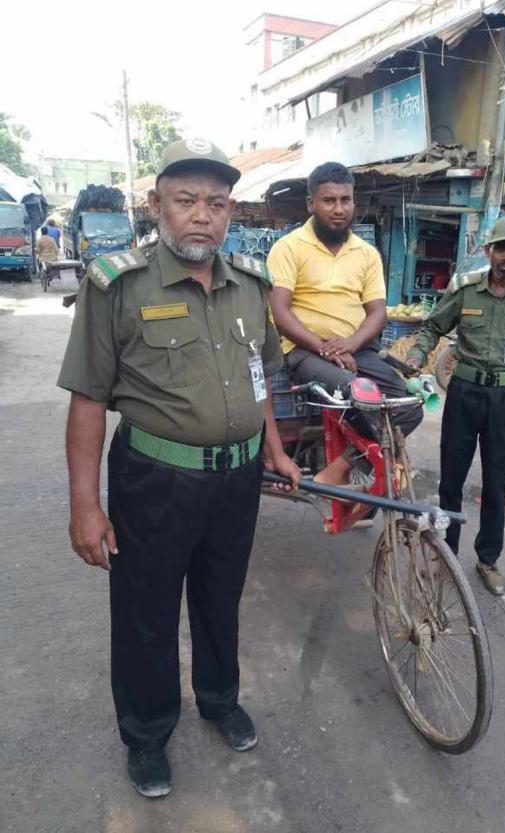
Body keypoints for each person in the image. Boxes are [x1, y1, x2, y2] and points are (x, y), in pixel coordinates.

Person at [57, 138, 300, 799]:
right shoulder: (118, 283)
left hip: (238, 478)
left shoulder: (250, 284)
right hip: (155, 479)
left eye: (216, 204)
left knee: (221, 599)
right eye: (187, 200)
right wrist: (85, 504)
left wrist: (274, 449)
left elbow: (260, 380)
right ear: (157, 204)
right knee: (147, 612)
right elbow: (87, 400)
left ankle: (219, 699)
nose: (202, 215)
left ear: (229, 213)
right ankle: (147, 731)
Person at [408, 216, 505, 595]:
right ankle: (447, 553)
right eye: (500, 248)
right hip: (464, 395)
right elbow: (432, 326)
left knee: (496, 484)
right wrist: (417, 354)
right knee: (451, 480)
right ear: (489, 251)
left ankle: (488, 559)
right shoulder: (465, 289)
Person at [267, 161, 422, 486]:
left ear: (354, 201)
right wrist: (324, 348)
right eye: (329, 201)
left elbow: (378, 312)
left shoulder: (366, 253)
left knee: (409, 405)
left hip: (357, 349)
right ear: (311, 204)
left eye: (345, 200)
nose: (339, 209)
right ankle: (380, 459)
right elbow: (280, 312)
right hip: (305, 350)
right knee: (359, 394)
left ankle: (342, 466)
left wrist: (349, 344)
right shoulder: (289, 248)